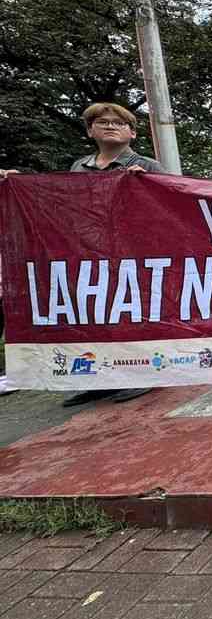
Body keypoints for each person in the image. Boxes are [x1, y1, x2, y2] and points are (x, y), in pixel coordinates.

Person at [6, 103, 164, 405]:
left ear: (132, 132)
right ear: (90, 131)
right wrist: (18, 183)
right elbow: (62, 203)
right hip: (87, 252)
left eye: (118, 123)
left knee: (129, 312)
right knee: (94, 314)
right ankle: (99, 379)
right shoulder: (79, 166)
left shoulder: (147, 165)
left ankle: (141, 374)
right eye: (102, 122)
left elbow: (169, 205)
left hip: (131, 253)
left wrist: (148, 184)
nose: (110, 126)